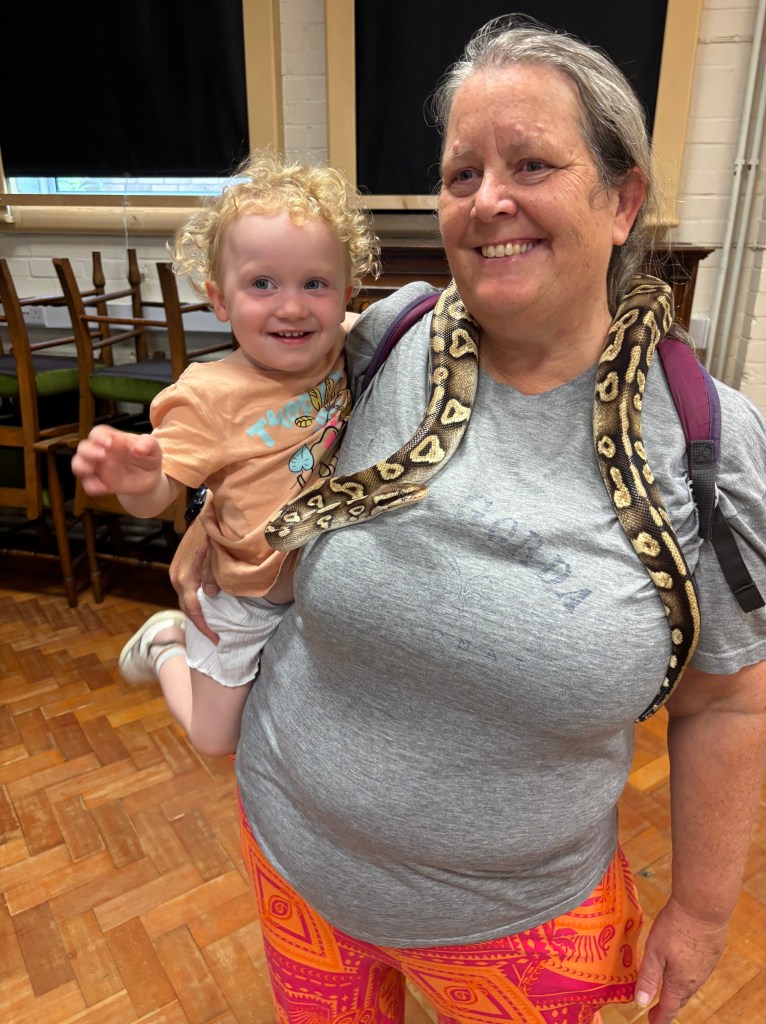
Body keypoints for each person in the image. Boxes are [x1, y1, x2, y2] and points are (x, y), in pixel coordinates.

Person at [149, 14, 766, 1024]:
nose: (487, 201)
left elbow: (729, 702)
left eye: (530, 162)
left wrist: (701, 908)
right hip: (293, 851)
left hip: (523, 925)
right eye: (458, 173)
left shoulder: (709, 442)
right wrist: (212, 523)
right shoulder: (381, 340)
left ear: (622, 199)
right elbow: (267, 447)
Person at [71, 150, 379, 757]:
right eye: (262, 284)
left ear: (347, 292)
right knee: (215, 739)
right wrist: (139, 477)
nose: (291, 306)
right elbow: (159, 497)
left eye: (314, 283)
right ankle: (164, 643)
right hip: (243, 595)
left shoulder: (347, 342)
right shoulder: (205, 396)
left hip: (325, 585)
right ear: (219, 298)